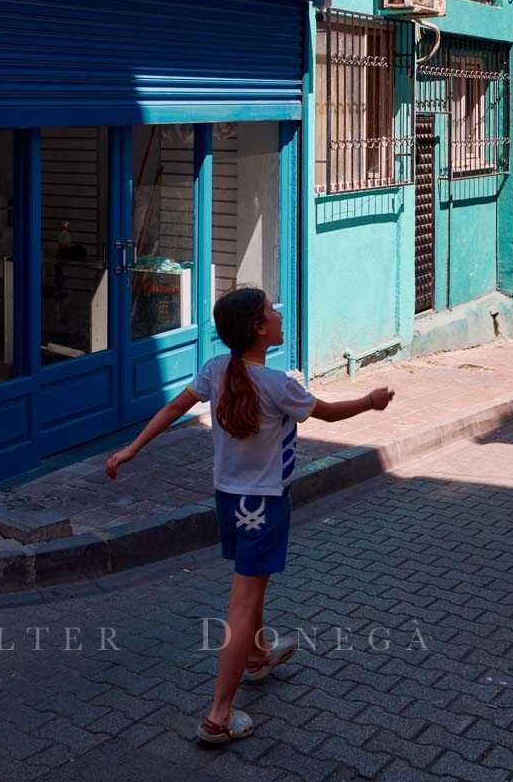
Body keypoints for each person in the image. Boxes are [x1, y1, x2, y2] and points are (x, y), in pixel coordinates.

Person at [104, 286, 394, 747]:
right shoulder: (279, 386)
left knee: (252, 582)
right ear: (258, 330)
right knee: (241, 601)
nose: (278, 315)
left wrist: (132, 449)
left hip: (228, 500)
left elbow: (175, 407)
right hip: (265, 505)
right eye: (270, 312)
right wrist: (372, 400)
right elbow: (333, 416)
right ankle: (218, 715)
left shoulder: (216, 371)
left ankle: (258, 657)